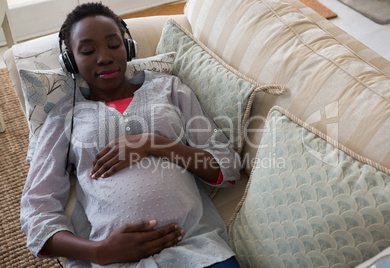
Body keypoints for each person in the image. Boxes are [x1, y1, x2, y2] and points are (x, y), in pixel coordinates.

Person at [20, 2, 241, 268]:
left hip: (198, 248)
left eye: (114, 44)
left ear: (129, 47)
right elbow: (37, 211)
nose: (104, 57)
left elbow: (225, 166)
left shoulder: (169, 89)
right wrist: (98, 251)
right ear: (70, 61)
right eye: (88, 51)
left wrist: (154, 143)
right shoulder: (64, 115)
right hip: (116, 262)